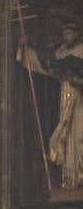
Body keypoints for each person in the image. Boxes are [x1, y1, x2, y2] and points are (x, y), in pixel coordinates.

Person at [18, 23, 83, 188]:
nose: (66, 37)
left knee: (78, 135)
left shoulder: (81, 51)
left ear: (76, 34)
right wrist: (25, 49)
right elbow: (43, 62)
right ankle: (69, 178)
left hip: (80, 98)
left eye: (69, 33)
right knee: (65, 137)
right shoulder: (60, 54)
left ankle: (80, 175)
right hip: (63, 97)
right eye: (64, 34)